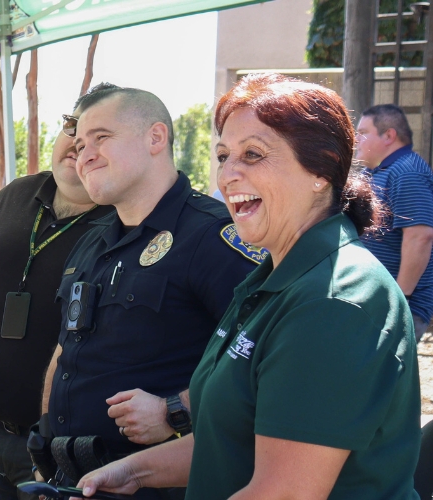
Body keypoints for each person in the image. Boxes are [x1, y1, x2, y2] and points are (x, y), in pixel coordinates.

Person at [76, 72, 422, 500]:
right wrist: (131, 473)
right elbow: (232, 439)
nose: (228, 175)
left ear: (321, 169)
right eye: (223, 156)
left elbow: (283, 492)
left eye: (253, 155)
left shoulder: (334, 300)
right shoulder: (276, 279)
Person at [38, 83, 259, 498]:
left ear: (155, 138)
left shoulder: (212, 236)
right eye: (80, 142)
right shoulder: (93, 240)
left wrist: (175, 410)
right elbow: (69, 350)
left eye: (101, 138)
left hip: (166, 485)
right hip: (78, 479)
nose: (83, 154)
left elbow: (262, 358)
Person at [0, 125, 116, 499]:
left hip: (67, 444)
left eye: (100, 135)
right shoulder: (14, 195)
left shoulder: (126, 218)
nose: (79, 144)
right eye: (72, 128)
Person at [354, 104, 433, 338]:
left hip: (396, 305)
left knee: (383, 373)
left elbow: (420, 237)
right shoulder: (374, 172)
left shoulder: (407, 172)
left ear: (389, 136)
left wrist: (400, 298)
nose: (356, 139)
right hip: (374, 300)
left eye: (363, 132)